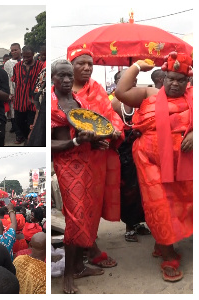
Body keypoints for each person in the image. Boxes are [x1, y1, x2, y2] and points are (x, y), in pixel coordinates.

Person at [115, 52, 193, 282]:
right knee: (160, 204)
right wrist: (137, 67)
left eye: (181, 79)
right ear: (163, 78)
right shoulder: (150, 93)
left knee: (179, 204)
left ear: (188, 81)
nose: (175, 83)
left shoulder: (193, 97)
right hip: (150, 161)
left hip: (184, 164)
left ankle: (162, 242)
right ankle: (168, 256)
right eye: (171, 78)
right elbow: (121, 93)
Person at [52, 59, 117, 294]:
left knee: (88, 216)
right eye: (62, 76)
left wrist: (96, 142)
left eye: (70, 76)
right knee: (76, 218)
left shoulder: (78, 101)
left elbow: (86, 128)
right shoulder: (51, 105)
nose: (67, 80)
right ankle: (67, 277)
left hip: (87, 162)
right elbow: (47, 144)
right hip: (68, 166)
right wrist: (75, 141)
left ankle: (79, 266)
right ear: (53, 79)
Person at [69, 49, 123, 271]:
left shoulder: (97, 89)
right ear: (71, 65)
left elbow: (110, 117)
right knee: (77, 206)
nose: (87, 68)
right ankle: (89, 248)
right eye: (81, 63)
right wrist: (84, 141)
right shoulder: (62, 92)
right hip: (72, 158)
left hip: (98, 158)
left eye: (90, 64)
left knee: (93, 204)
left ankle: (88, 243)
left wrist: (115, 131)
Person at [111, 69, 151, 242]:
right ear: (117, 83)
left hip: (144, 148)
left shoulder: (142, 100)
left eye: (133, 79)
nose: (131, 82)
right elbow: (111, 126)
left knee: (145, 188)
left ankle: (139, 223)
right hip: (124, 151)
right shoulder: (112, 103)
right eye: (124, 79)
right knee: (128, 189)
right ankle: (129, 226)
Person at [11, 45, 44, 144]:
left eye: (28, 57)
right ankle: (27, 139)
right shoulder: (16, 67)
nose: (25, 59)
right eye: (24, 56)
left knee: (32, 127)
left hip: (33, 104)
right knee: (19, 123)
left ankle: (29, 142)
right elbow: (16, 82)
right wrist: (15, 96)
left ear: (33, 55)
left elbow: (42, 84)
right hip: (19, 102)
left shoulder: (40, 66)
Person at [4, 43, 22, 137]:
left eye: (16, 50)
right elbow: (6, 79)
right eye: (12, 50)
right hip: (13, 91)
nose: (14, 52)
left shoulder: (25, 60)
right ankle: (18, 135)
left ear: (20, 50)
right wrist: (9, 93)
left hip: (25, 92)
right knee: (14, 113)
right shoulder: (8, 64)